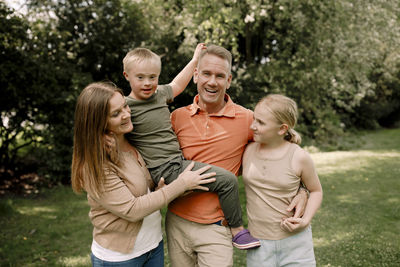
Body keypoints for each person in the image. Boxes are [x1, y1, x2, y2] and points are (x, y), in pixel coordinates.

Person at [166, 44, 309, 266]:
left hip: (218, 227)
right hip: (177, 222)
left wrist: (303, 189)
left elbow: (285, 150)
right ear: (195, 75)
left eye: (219, 76)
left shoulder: (246, 120)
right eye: (206, 74)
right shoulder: (176, 118)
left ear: (229, 80)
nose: (212, 82)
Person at [122, 44, 260, 249]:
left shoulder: (159, 95)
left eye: (152, 77)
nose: (147, 83)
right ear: (127, 76)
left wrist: (195, 59)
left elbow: (177, 84)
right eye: (140, 77)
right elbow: (113, 128)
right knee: (228, 181)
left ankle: (235, 231)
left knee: (225, 180)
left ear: (228, 81)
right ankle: (238, 231)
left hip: (207, 214)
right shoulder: (128, 108)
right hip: (169, 177)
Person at [71, 82, 217, 267]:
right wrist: (181, 184)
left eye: (125, 106)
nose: (126, 114)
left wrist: (158, 189)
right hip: (120, 258)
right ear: (98, 123)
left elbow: (141, 189)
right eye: (116, 114)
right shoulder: (97, 164)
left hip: (153, 246)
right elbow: (132, 210)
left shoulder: (131, 140)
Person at [243, 94, 323, 266]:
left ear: (282, 129)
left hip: (296, 244)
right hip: (258, 244)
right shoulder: (247, 150)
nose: (252, 126)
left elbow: (316, 190)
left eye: (261, 123)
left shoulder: (299, 157)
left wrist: (305, 220)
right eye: (254, 119)